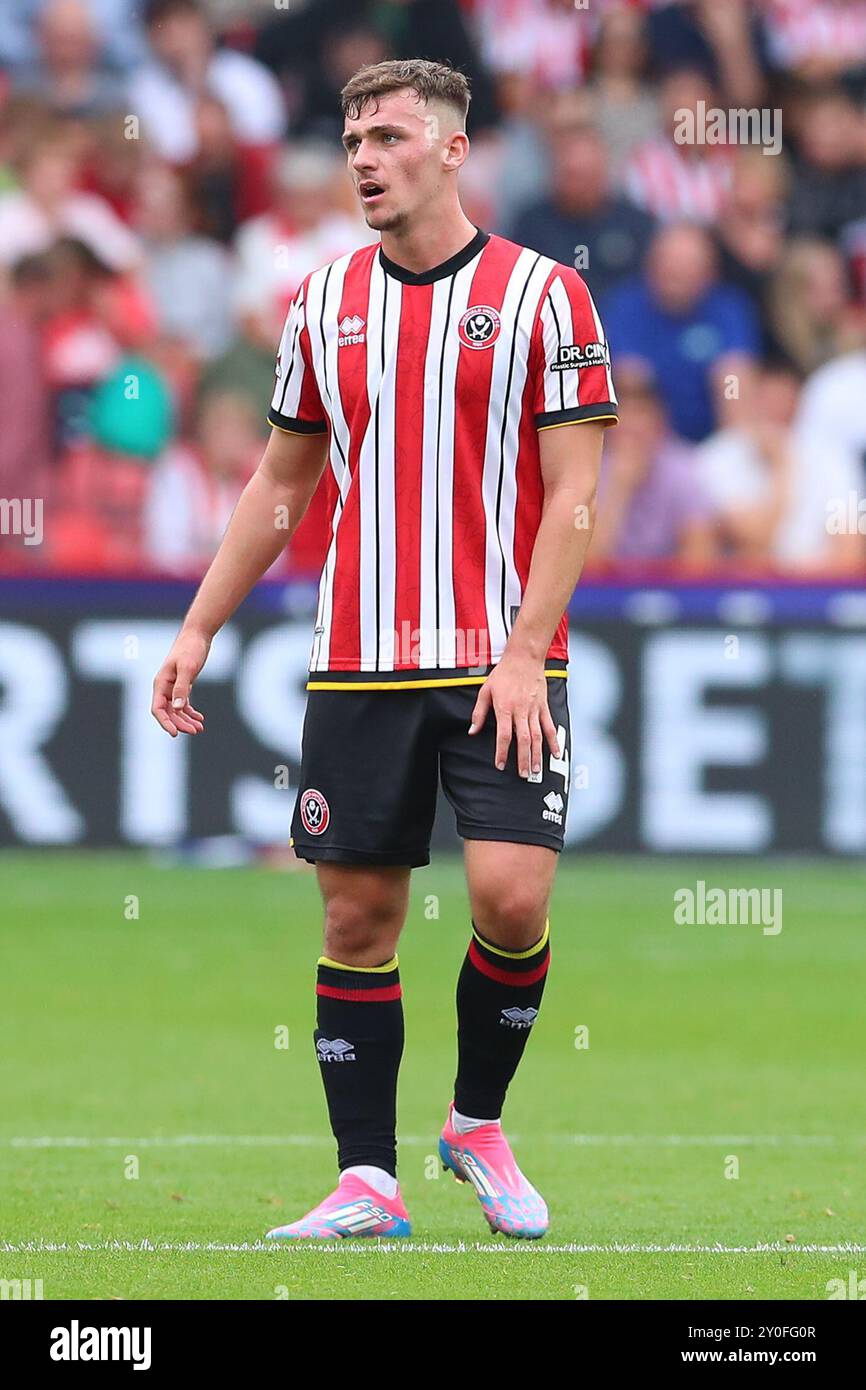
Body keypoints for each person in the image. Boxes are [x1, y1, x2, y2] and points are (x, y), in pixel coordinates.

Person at [151, 57, 618, 1241]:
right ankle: (367, 1178)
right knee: (354, 921)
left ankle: (474, 1120)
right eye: (353, 135)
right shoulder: (321, 302)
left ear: (452, 149)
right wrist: (200, 623)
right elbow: (281, 480)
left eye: (389, 136)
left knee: (510, 901)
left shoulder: (541, 298)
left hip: (502, 660)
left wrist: (523, 651)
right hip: (358, 658)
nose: (363, 155)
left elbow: (574, 492)